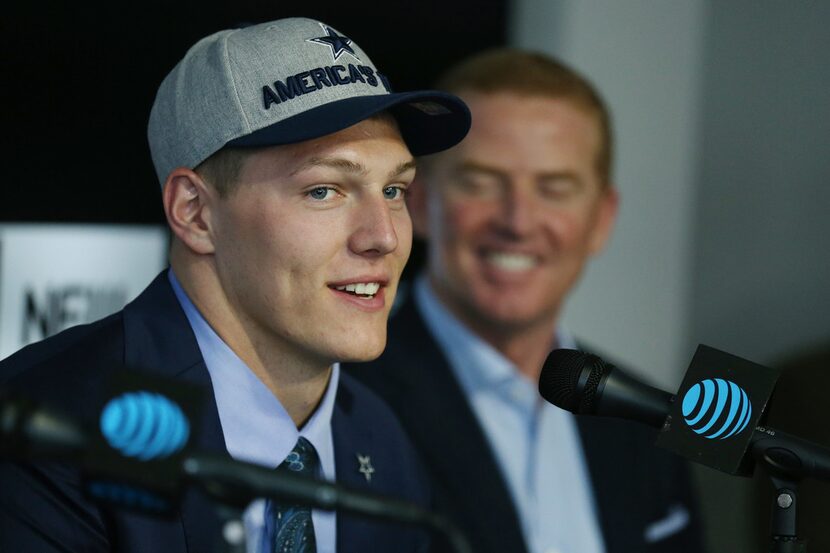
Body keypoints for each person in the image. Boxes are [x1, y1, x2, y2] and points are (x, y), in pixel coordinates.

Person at [0, 17, 470, 553]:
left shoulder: (382, 441)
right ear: (196, 213)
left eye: (393, 189)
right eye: (324, 190)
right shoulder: (49, 430)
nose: (383, 237)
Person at [345, 48, 704, 553]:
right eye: (482, 182)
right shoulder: (341, 400)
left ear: (601, 219)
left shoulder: (650, 420)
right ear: (420, 202)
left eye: (555, 188)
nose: (517, 221)